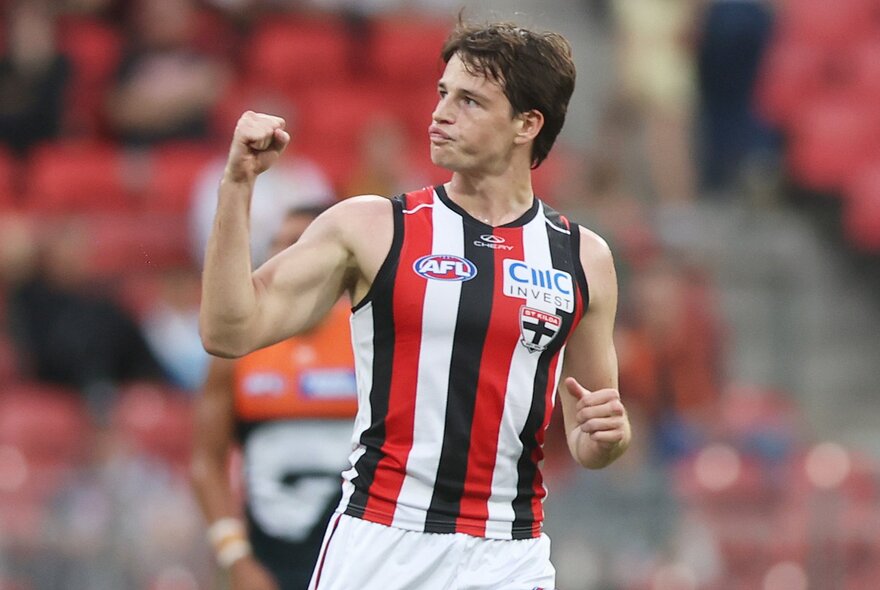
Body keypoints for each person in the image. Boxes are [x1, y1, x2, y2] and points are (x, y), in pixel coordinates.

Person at [200, 19, 631, 590]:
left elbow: (588, 432)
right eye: (442, 93)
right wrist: (237, 186)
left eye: (470, 101)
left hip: (509, 552)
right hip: (382, 539)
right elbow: (228, 331)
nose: (441, 113)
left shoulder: (584, 257)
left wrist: (607, 438)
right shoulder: (374, 227)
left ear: (527, 124)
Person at [191, 205, 358, 590]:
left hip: (356, 562)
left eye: (298, 244)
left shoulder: (373, 340)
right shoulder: (238, 350)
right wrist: (235, 557)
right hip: (268, 567)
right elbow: (206, 463)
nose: (285, 256)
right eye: (278, 243)